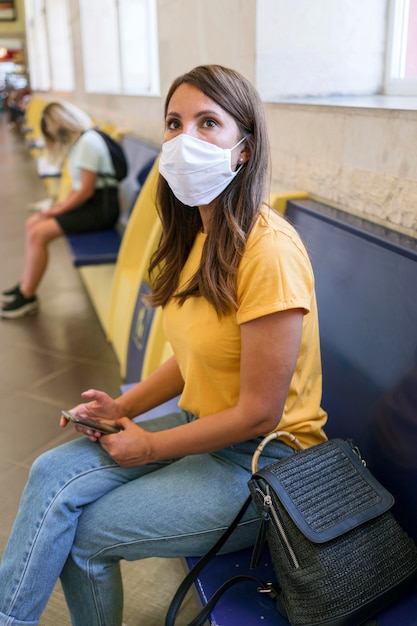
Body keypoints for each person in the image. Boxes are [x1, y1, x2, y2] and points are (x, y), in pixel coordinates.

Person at [0, 65, 327, 625]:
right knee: (51, 474)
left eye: (208, 124)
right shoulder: (195, 237)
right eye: (175, 123)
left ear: (244, 149)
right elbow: (193, 355)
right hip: (203, 429)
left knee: (86, 534)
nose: (184, 140)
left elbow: (260, 412)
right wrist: (121, 409)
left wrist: (150, 447)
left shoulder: (269, 252)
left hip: (262, 464)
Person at [1, 101, 120, 318]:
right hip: (92, 205)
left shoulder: (87, 143)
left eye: (48, 125)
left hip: (100, 210)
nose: (47, 130)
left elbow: (85, 190)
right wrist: (57, 208)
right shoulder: (82, 141)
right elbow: (79, 189)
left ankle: (27, 297)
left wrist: (57, 210)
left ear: (60, 122)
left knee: (39, 233)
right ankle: (24, 284)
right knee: (33, 223)